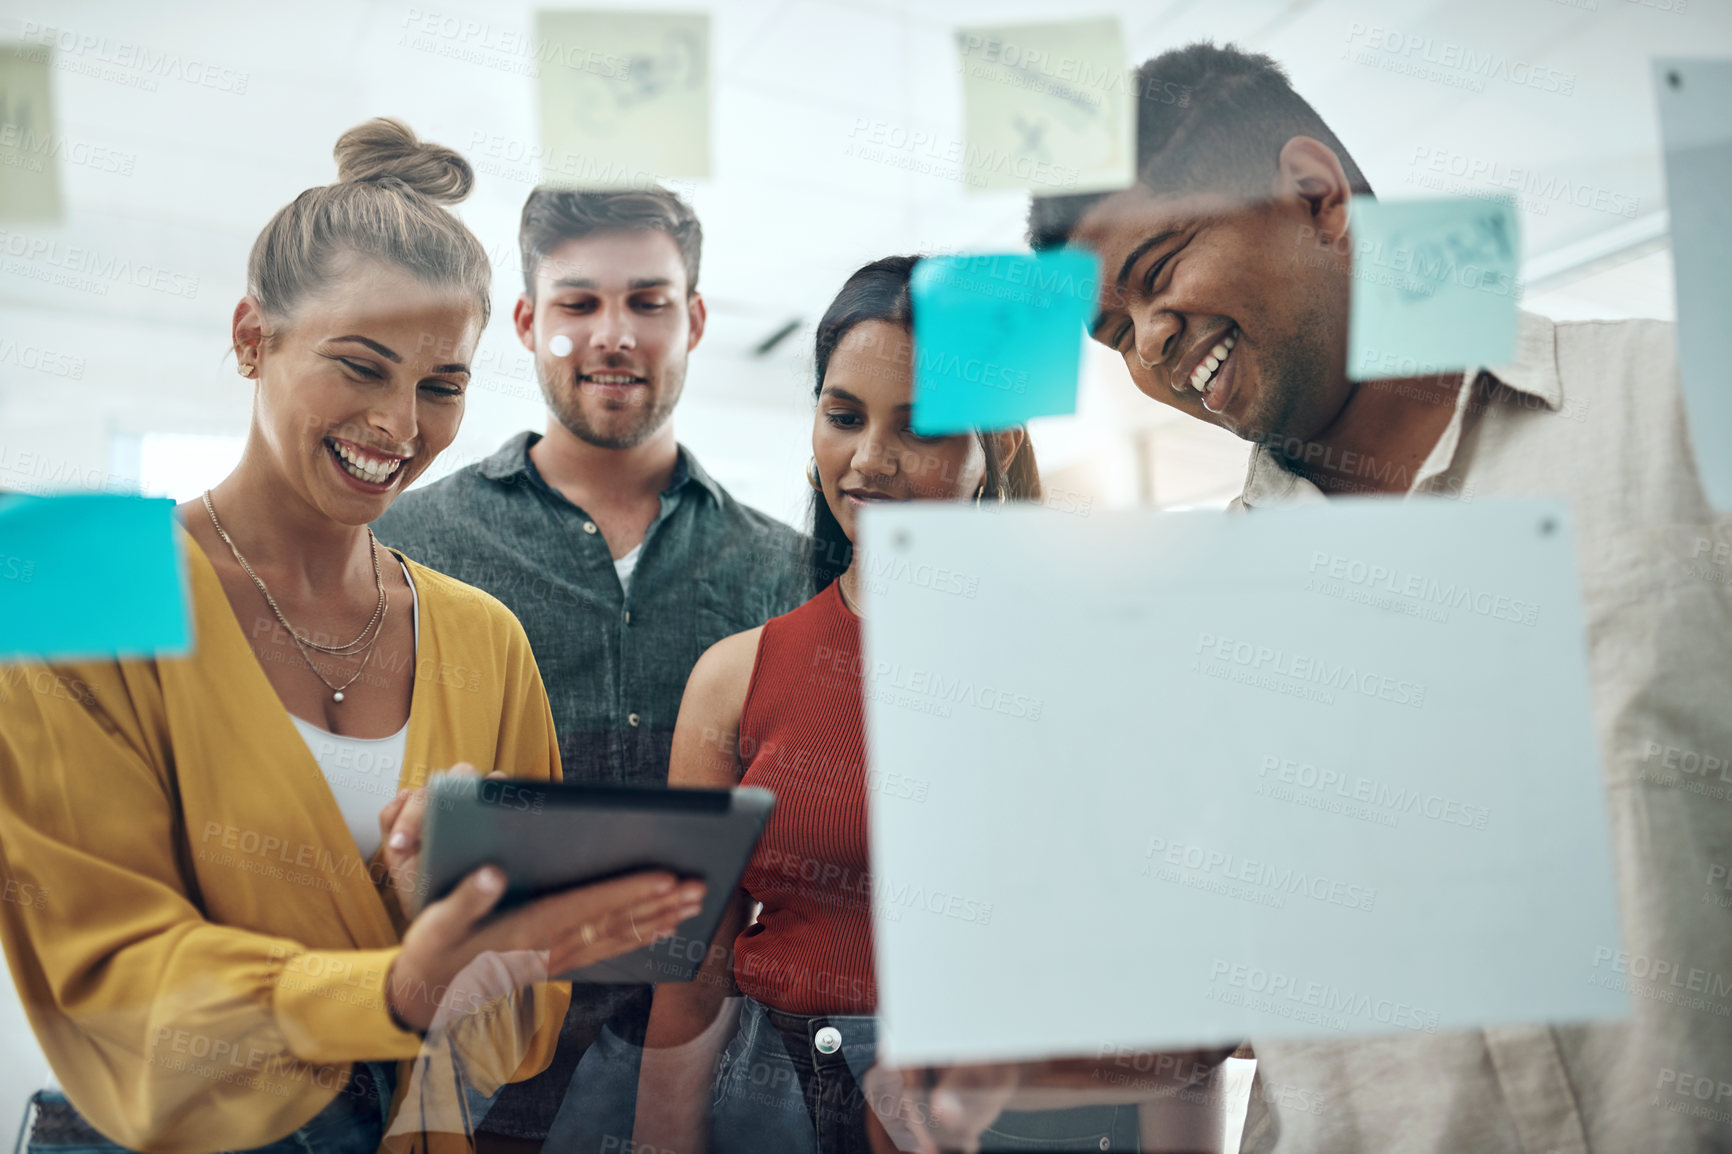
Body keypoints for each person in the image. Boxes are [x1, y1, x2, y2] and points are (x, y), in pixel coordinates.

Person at [1029, 41, 1732, 1154]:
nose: (1150, 346)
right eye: (1113, 334)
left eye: (1158, 271)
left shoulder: (1680, 408)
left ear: (1315, 196)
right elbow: (1219, 993)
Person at [0, 118, 703, 1154]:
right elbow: (104, 974)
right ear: (252, 335)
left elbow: (521, 1024)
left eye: (440, 386)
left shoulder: (485, 637)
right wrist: (397, 977)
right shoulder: (78, 583)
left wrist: (445, 917)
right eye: (361, 365)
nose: (398, 424)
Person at [618, 256, 1234, 1154]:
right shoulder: (735, 676)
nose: (869, 461)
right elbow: (691, 977)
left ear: (999, 449)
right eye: (843, 417)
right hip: (782, 1105)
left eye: (923, 428)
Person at [371, 186, 809, 1144]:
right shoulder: (408, 541)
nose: (615, 335)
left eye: (649, 302)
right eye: (578, 303)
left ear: (692, 320)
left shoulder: (784, 567)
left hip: (711, 1076)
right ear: (528, 323)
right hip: (479, 1072)